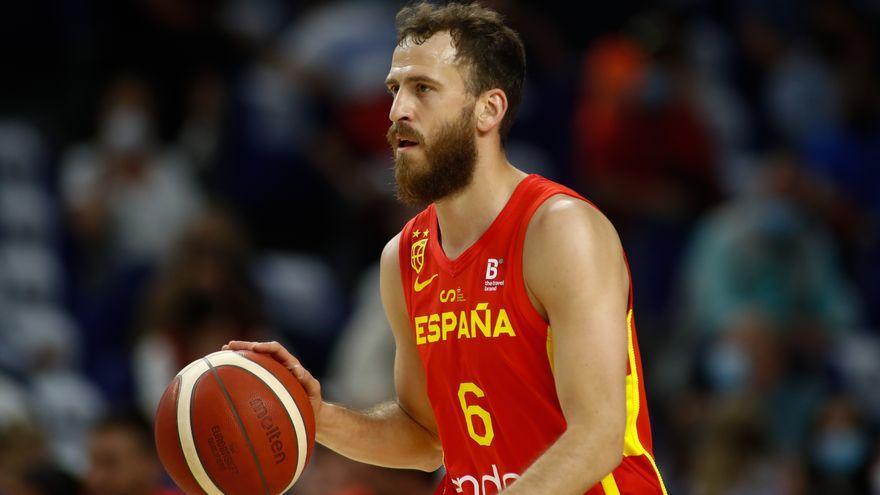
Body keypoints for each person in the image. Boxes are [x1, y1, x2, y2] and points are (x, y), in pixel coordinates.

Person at [226, 2, 666, 494]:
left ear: (489, 109)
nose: (397, 111)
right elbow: (427, 437)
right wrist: (316, 417)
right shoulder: (403, 256)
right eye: (395, 89)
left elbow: (597, 437)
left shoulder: (560, 230)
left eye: (424, 89)